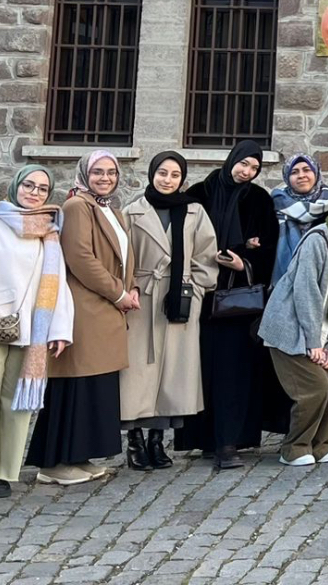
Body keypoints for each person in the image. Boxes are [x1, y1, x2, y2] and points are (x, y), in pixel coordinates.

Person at [0, 165, 72, 500]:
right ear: (16, 186)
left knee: (15, 404)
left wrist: (59, 329)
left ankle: (4, 472)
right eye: (29, 185)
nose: (34, 192)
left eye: (41, 188)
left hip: (30, 333)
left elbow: (58, 284)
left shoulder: (49, 232)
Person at [27, 151, 138, 486]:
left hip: (103, 309)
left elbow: (121, 257)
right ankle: (55, 463)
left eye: (111, 172)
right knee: (75, 385)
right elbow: (80, 257)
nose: (105, 178)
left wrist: (127, 288)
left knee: (93, 387)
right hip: (86, 308)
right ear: (84, 174)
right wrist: (119, 293)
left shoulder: (109, 208)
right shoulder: (76, 206)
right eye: (97, 172)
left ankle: (80, 456)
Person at [180, 141, 279, 469]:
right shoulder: (199, 193)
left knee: (234, 373)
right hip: (201, 299)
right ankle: (206, 439)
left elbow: (269, 251)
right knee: (203, 370)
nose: (247, 171)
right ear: (232, 160)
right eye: (244, 164)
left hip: (238, 304)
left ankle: (229, 443)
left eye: (254, 168)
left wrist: (244, 262)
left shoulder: (259, 200)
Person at [119, 151, 219, 471]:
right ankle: (133, 438)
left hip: (180, 300)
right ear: (152, 174)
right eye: (162, 173)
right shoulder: (131, 213)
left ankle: (158, 440)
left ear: (182, 179)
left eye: (175, 175)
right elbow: (121, 258)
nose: (167, 179)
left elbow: (206, 256)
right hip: (141, 299)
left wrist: (197, 290)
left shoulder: (194, 212)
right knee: (136, 373)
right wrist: (128, 289)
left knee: (171, 373)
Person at [258, 188, 328, 466]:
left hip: (325, 336)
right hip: (290, 330)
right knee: (315, 389)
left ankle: (320, 445)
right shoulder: (318, 239)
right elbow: (306, 294)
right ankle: (293, 448)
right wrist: (313, 342)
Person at [270, 154, 328, 286]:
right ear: (287, 177)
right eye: (294, 172)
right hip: (282, 284)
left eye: (307, 170)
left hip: (321, 281)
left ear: (316, 173)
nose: (301, 175)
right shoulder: (273, 205)